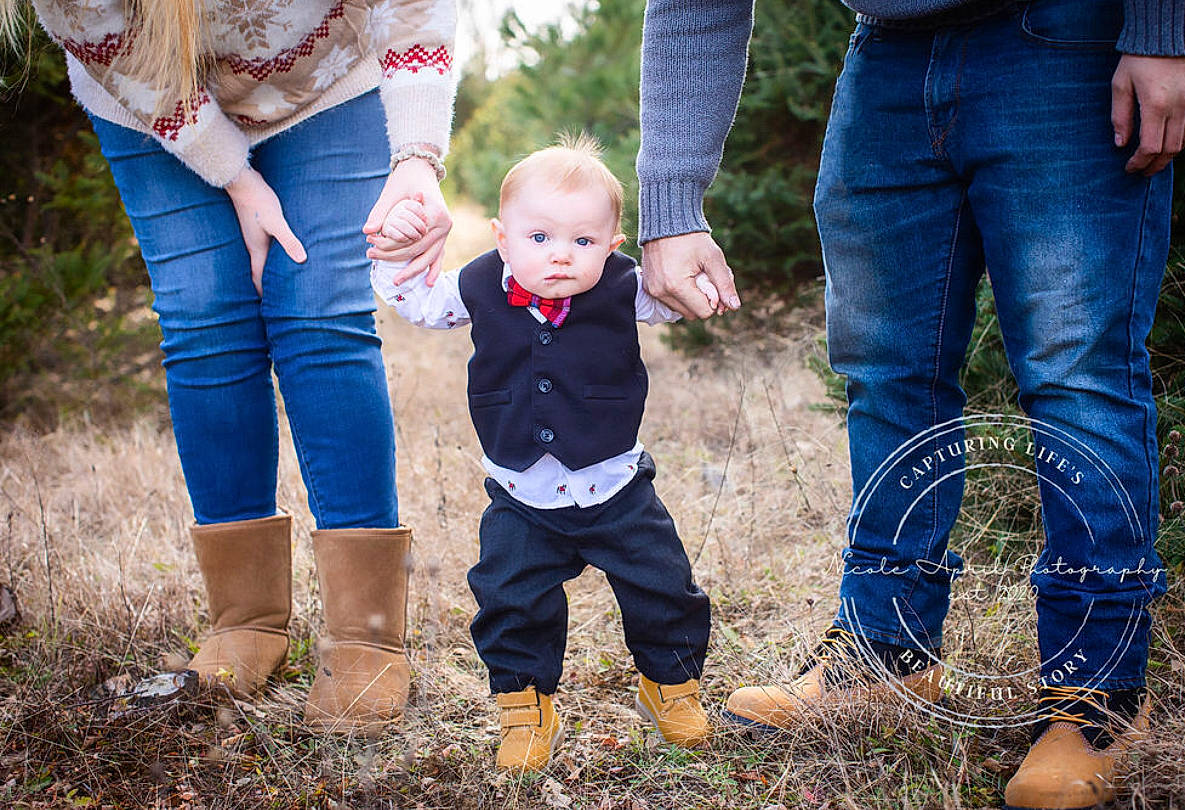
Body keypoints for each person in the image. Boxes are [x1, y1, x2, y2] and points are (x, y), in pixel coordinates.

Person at [636, 0, 1185, 807]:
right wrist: (671, 201)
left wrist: (1166, 26)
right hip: (885, 63)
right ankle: (885, 651)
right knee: (886, 372)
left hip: (1066, 40)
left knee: (1078, 374)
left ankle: (1098, 693)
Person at [9, 0, 457, 736]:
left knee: (319, 309)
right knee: (203, 314)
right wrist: (237, 180)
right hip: (150, 90)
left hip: (328, 84)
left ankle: (367, 632)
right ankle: (245, 620)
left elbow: (415, 8)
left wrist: (416, 157)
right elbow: (104, 35)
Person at [370, 135, 716, 771]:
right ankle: (525, 705)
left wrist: (696, 282)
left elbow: (671, 300)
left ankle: (670, 684)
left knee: (663, 585)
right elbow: (415, 304)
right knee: (509, 597)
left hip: (615, 486)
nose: (561, 255)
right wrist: (394, 254)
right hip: (521, 492)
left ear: (612, 245)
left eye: (583, 241)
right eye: (539, 238)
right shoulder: (476, 284)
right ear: (502, 238)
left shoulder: (623, 285)